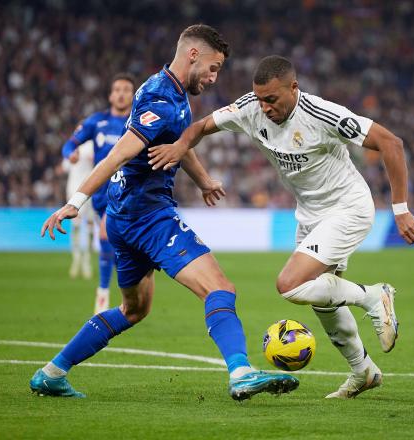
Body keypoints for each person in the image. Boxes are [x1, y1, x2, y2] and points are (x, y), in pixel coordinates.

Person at [31, 26, 299, 400]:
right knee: (220, 288)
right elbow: (119, 153)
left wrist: (204, 180)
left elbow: (179, 141)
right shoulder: (161, 99)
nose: (213, 77)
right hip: (148, 217)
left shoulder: (165, 88)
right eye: (213, 67)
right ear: (193, 54)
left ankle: (52, 372)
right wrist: (75, 202)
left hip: (124, 218)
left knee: (132, 309)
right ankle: (240, 372)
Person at [147, 55, 414, 399]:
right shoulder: (250, 107)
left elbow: (391, 143)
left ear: (294, 88)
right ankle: (363, 371)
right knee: (323, 300)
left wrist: (400, 209)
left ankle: (373, 296)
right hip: (309, 216)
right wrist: (179, 146)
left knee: (290, 284)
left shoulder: (323, 114)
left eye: (272, 99)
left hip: (347, 207)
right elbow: (201, 127)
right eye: (260, 99)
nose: (264, 108)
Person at [61, 73, 135, 313]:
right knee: (111, 245)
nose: (122, 93)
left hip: (129, 190)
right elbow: (70, 143)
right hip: (101, 193)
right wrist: (70, 153)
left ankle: (102, 295)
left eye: (126, 89)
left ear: (133, 95)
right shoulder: (96, 121)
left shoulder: (138, 122)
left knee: (106, 236)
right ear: (111, 95)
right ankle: (118, 294)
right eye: (118, 89)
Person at [62, 140, 94, 281]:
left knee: (88, 227)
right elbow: (65, 166)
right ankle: (79, 260)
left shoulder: (91, 145)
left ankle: (85, 259)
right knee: (80, 226)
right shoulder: (75, 147)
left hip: (88, 191)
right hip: (77, 191)